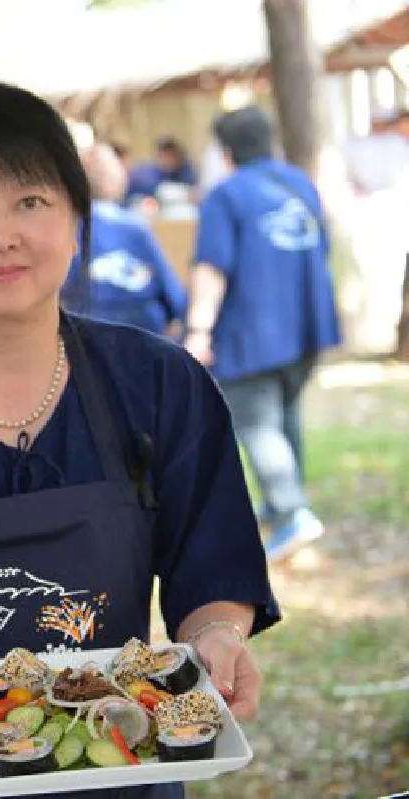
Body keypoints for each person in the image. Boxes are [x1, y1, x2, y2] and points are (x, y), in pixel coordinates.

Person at [0, 82, 280, 799]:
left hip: (117, 763)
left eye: (29, 201)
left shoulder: (159, 382)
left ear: (76, 221)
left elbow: (214, 567)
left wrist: (218, 636)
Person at [186, 105, 341, 563]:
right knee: (285, 413)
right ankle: (283, 503)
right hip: (306, 325)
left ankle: (292, 513)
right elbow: (322, 248)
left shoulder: (225, 195)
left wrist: (199, 329)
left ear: (226, 149)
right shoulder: (299, 184)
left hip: (252, 329)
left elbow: (212, 266)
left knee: (256, 423)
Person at [65, 142, 187, 337]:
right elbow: (175, 299)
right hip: (142, 342)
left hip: (84, 342)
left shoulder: (67, 230)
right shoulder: (134, 228)